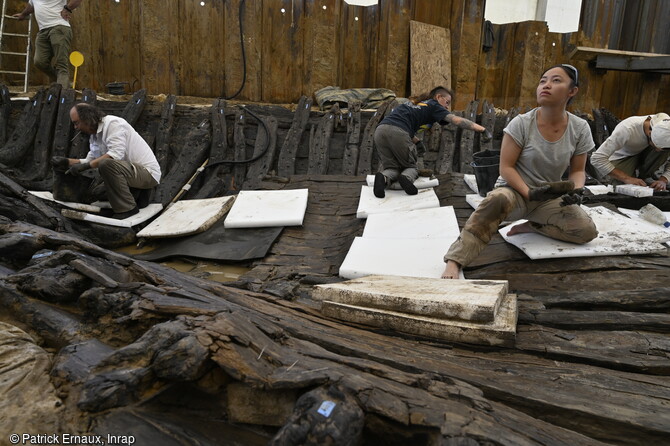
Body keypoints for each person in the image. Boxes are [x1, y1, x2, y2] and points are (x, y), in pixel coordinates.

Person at [441, 64, 598, 279]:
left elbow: (578, 170)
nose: (546, 85)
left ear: (572, 91)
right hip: (514, 192)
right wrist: (528, 192)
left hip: (548, 197)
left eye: (556, 80)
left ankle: (534, 227)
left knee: (585, 231)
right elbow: (506, 168)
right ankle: (455, 259)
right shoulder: (522, 123)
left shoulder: (580, 128)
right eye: (543, 81)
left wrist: (576, 190)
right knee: (495, 201)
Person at [372, 86, 490, 198]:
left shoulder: (413, 104)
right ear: (438, 97)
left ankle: (383, 177)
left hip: (380, 131)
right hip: (398, 132)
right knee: (411, 167)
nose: (447, 108)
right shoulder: (434, 105)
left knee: (392, 167)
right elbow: (456, 120)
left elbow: (400, 126)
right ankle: (406, 178)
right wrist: (482, 130)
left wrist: (417, 142)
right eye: (447, 103)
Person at [51, 103, 161, 219]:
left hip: (148, 174)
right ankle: (138, 196)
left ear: (87, 119)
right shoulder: (94, 136)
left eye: (76, 123)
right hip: (131, 174)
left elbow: (115, 155)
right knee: (97, 193)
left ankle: (128, 208)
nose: (75, 127)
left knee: (105, 164)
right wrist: (67, 162)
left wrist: (86, 166)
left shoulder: (113, 124)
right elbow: (91, 160)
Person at [590, 113, 670, 191]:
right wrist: (626, 178)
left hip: (643, 154)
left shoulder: (667, 127)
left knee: (662, 152)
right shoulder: (627, 128)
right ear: (650, 134)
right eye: (656, 146)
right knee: (622, 187)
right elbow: (597, 159)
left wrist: (664, 180)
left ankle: (644, 177)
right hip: (623, 157)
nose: (657, 150)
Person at [13, 0, 82, 88]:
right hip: (43, 31)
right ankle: (60, 81)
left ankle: (62, 96)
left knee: (61, 64)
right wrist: (23, 14)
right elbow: (32, 5)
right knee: (39, 62)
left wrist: (67, 8)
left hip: (59, 27)